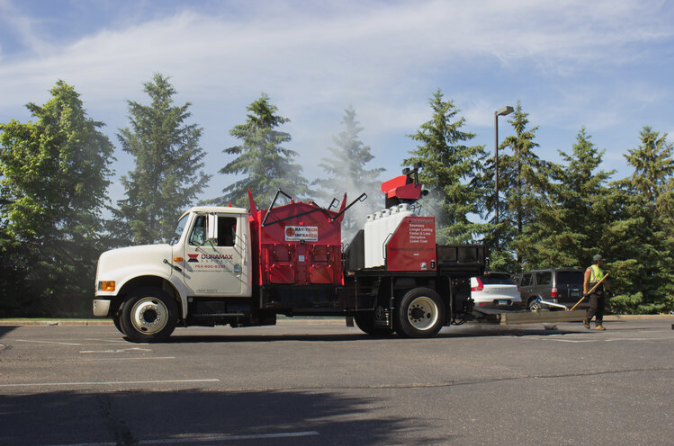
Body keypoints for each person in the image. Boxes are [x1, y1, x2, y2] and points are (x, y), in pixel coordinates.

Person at [583, 254, 611, 330]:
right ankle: (586, 319)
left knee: (600, 308)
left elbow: (604, 280)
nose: (602, 262)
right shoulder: (590, 269)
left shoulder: (600, 270)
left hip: (600, 289)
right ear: (598, 261)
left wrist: (608, 289)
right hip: (593, 290)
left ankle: (598, 324)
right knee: (594, 307)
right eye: (602, 261)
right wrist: (585, 291)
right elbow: (585, 282)